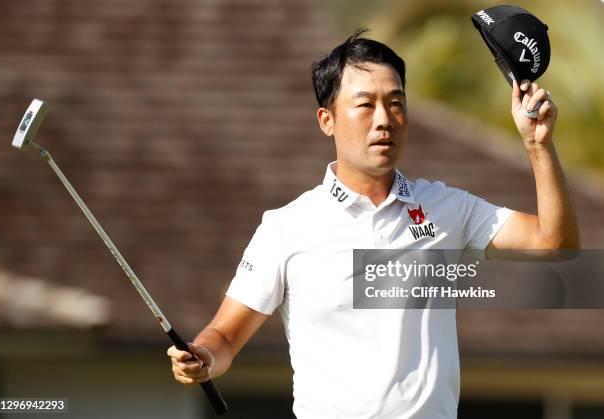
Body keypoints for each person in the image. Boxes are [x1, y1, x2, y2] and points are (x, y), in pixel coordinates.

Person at [167, 29, 580, 418]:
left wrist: (538, 145)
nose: (384, 119)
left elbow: (556, 245)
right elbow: (224, 336)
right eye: (365, 105)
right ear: (326, 120)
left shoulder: (447, 206)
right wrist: (201, 357)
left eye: (396, 103)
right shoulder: (285, 227)